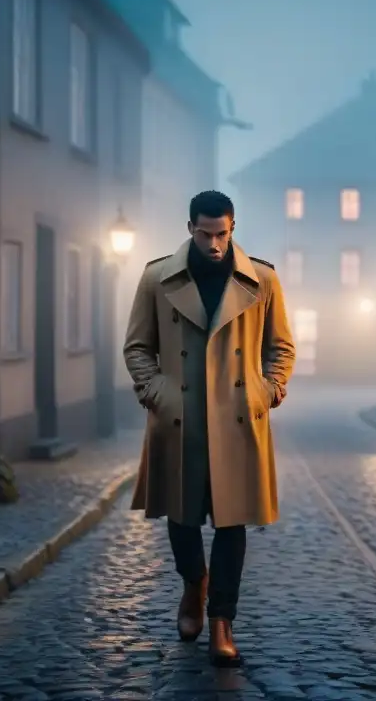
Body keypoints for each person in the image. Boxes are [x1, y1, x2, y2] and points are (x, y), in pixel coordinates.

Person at [123, 190, 295, 666]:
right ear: (190, 228)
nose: (215, 244)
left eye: (223, 233)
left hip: (238, 418)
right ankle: (193, 583)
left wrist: (269, 390)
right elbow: (137, 346)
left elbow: (281, 346)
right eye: (205, 233)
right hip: (179, 418)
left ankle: (222, 622)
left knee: (231, 523)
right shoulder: (158, 277)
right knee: (181, 518)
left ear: (233, 227)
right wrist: (157, 392)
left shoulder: (262, 279)